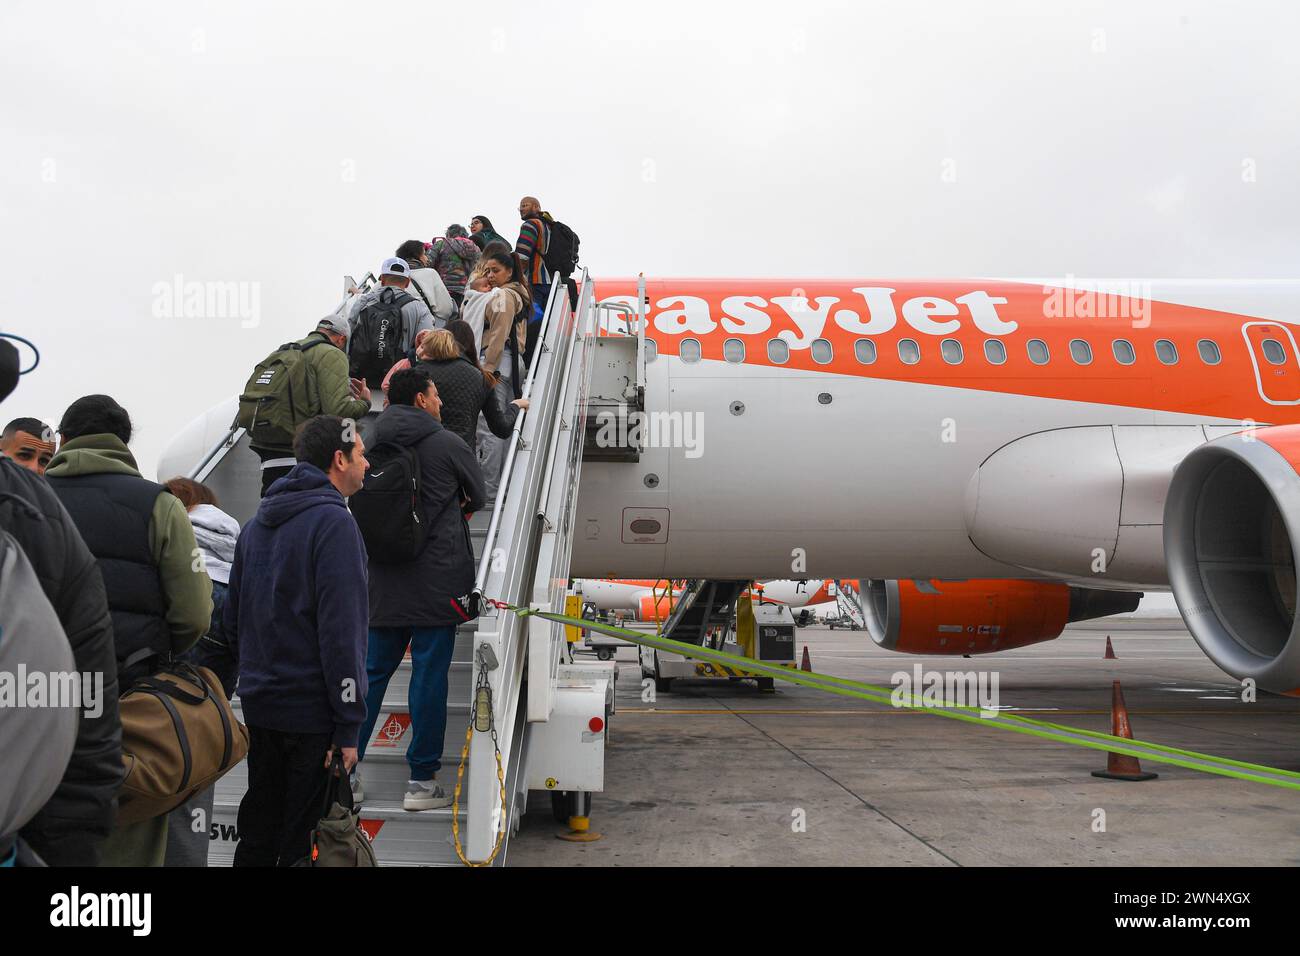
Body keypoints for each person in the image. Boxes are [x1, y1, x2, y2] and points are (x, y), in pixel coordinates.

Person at [45, 394, 213, 867]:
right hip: (129, 698)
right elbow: (196, 612)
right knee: (131, 833)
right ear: (123, 444)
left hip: (35, 700)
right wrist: (153, 652)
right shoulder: (160, 505)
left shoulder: (26, 501)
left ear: (62, 439)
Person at [225, 415, 370, 867]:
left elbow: (232, 620)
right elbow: (341, 634)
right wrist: (348, 725)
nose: (367, 463)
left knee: (259, 831)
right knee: (305, 843)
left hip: (261, 706)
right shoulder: (334, 526)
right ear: (339, 458)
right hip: (312, 717)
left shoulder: (254, 526)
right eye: (361, 454)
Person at [0, 344, 120, 868]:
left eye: (42, 458)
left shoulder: (37, 517)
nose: (34, 468)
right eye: (23, 455)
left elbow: (88, 666)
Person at [351, 368, 485, 811]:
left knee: (370, 677)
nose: (442, 402)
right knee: (428, 677)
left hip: (383, 581)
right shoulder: (447, 443)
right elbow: (479, 496)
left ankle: (346, 775)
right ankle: (421, 783)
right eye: (436, 395)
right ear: (424, 400)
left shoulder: (371, 443)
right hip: (437, 581)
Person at [161, 476, 240, 867]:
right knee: (193, 804)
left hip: (152, 717)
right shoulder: (235, 555)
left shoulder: (167, 551)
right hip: (209, 718)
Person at [244, 315, 372, 496]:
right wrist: (364, 402)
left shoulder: (285, 350)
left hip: (267, 446)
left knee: (273, 503)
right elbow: (338, 411)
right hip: (299, 451)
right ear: (341, 339)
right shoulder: (332, 353)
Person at [413, 328, 527, 451]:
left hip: (423, 452)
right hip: (462, 455)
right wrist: (515, 406)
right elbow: (501, 428)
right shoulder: (481, 377)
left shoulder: (417, 373)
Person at [476, 251, 531, 502]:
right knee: (506, 425)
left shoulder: (502, 296)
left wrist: (487, 368)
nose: (490, 275)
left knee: (490, 427)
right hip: (512, 362)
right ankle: (504, 487)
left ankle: (490, 490)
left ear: (509, 271)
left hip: (498, 360)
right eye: (486, 271)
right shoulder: (519, 293)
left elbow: (498, 333)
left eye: (495, 270)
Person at [348, 257, 437, 388]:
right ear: (408, 282)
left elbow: (348, 332)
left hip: (360, 378)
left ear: (382, 279)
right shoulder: (419, 307)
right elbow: (426, 343)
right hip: (397, 382)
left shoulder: (363, 302)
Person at [514, 196, 552, 367]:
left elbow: (522, 255)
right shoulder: (549, 226)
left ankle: (530, 360)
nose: (521, 208)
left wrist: (515, 276)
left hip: (534, 280)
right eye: (520, 206)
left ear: (536, 207)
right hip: (549, 281)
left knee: (531, 321)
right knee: (544, 321)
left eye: (525, 205)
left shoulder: (530, 225)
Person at [394, 240, 456, 324]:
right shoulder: (430, 273)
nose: (427, 258)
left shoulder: (387, 280)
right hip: (426, 327)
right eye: (424, 254)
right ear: (417, 256)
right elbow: (446, 309)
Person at [429, 225, 480, 306]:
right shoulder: (476, 249)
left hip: (444, 291)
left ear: (449, 234)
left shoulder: (441, 244)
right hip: (467, 292)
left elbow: (428, 263)